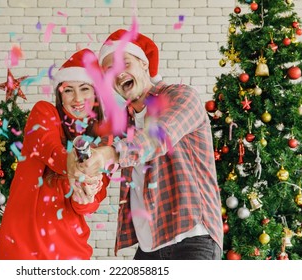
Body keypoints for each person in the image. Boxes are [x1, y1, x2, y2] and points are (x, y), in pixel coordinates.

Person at [67, 29, 223, 260]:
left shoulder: (182, 96)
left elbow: (157, 137)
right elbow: (97, 154)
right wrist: (81, 167)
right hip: (149, 247)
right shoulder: (123, 122)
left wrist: (109, 154)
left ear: (143, 63)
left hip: (192, 239)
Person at [0, 49, 110, 260]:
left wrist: (85, 197)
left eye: (85, 89)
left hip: (70, 249)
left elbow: (90, 204)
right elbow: (50, 149)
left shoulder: (103, 142)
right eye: (69, 90)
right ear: (60, 94)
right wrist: (77, 167)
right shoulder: (44, 112)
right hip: (23, 245)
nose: (77, 98)